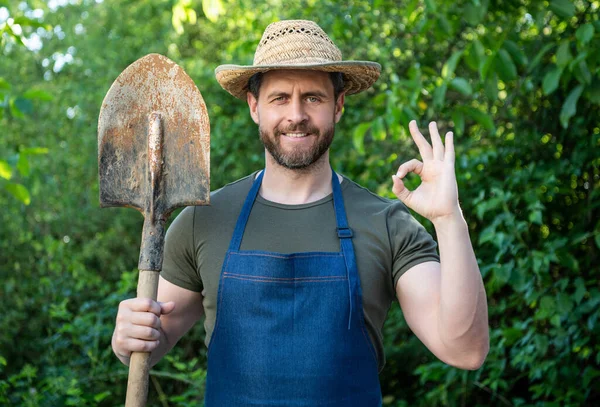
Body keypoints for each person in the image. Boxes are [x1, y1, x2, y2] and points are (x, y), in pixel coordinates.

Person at [112, 19, 489, 406]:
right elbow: (148, 346)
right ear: (255, 106)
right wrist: (127, 338)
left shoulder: (385, 223)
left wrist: (448, 219)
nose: (296, 115)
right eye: (279, 98)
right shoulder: (202, 219)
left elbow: (465, 350)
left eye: (312, 97)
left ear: (338, 106)